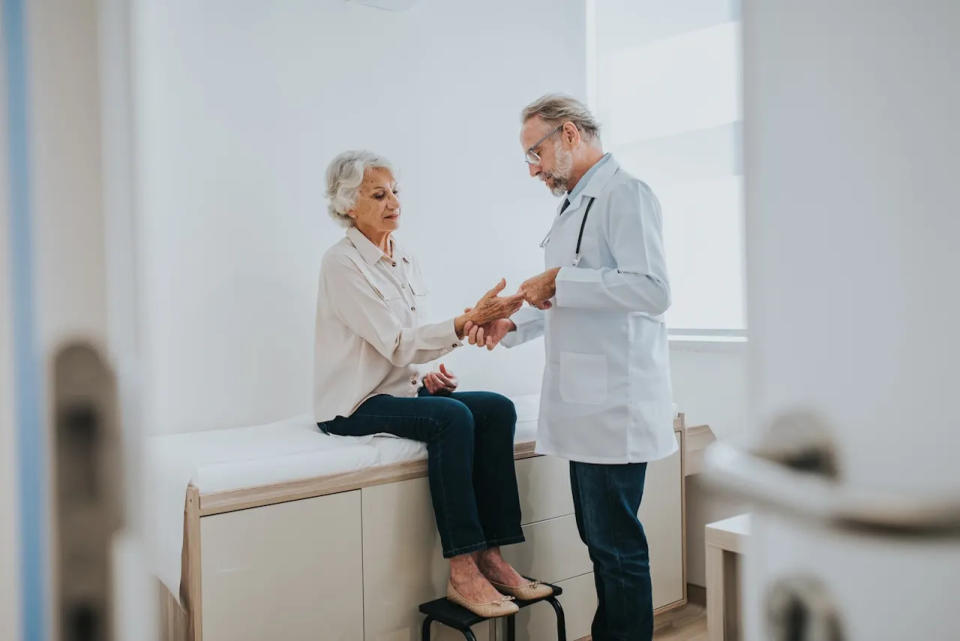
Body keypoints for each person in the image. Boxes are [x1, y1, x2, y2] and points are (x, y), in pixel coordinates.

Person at [465, 95, 675, 640]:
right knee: (601, 544)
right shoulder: (574, 204)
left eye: (536, 153)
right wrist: (513, 325)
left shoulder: (626, 193)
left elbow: (652, 292)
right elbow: (571, 302)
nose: (533, 169)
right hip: (587, 406)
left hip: (615, 407)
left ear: (570, 135)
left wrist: (560, 280)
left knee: (617, 549)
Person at [314, 150, 553, 618]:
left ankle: (493, 556)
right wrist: (466, 323)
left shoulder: (404, 257)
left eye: (395, 192)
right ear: (347, 206)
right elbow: (398, 343)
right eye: (378, 195)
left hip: (399, 390)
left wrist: (428, 375)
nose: (393, 202)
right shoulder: (341, 264)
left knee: (496, 408)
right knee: (452, 418)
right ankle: (463, 567)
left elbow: (409, 350)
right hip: (352, 403)